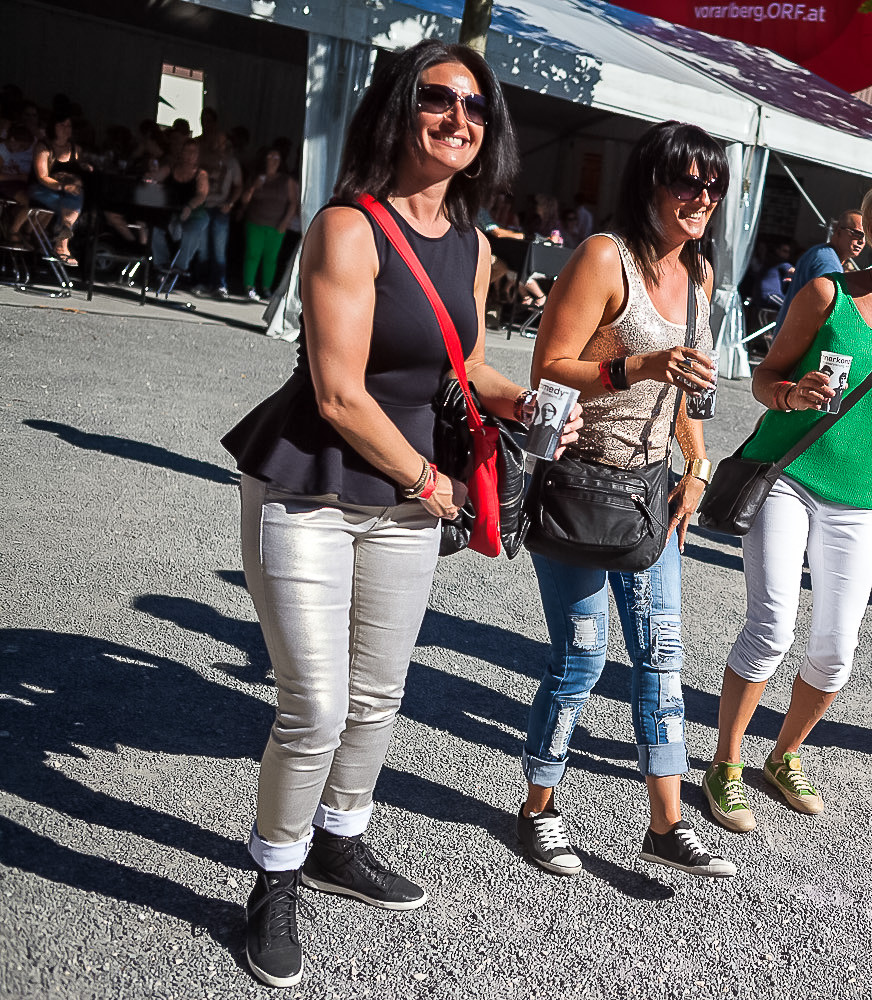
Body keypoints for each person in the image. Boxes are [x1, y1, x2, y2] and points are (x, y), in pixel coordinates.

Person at [219, 40, 579, 988]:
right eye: (437, 98)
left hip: (409, 496)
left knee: (380, 695)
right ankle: (275, 876)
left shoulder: (472, 241)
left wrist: (522, 402)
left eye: (476, 105)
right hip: (313, 484)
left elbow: (464, 365)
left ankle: (339, 841)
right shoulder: (347, 226)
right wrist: (431, 483)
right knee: (316, 704)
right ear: (397, 108)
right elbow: (338, 393)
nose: (460, 118)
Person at [701, 178, 872, 832]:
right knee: (772, 628)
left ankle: (784, 755)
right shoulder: (827, 295)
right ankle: (726, 765)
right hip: (788, 476)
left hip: (858, 502)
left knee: (835, 652)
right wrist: (791, 394)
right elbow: (765, 377)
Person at [519, 120, 734, 879]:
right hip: (578, 484)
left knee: (662, 658)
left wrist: (697, 465)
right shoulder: (604, 257)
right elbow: (549, 366)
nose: (702, 198)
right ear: (649, 183)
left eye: (713, 186)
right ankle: (538, 808)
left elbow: (689, 389)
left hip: (651, 492)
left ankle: (666, 825)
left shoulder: (699, 273)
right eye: (687, 182)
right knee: (582, 656)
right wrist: (638, 364)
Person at [769, 210, 866, 333]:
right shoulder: (828, 263)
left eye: (866, 236)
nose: (862, 241)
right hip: (800, 339)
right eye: (857, 234)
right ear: (838, 231)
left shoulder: (820, 252)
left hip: (789, 335)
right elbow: (825, 310)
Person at [17, 116, 88, 265]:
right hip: (41, 189)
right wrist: (63, 186)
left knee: (77, 197)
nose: (66, 128)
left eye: (68, 125)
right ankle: (61, 244)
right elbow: (42, 177)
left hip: (64, 193)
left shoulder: (76, 149)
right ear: (53, 127)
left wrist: (78, 179)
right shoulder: (43, 147)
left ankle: (58, 237)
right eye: (62, 124)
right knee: (71, 203)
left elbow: (79, 174)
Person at [240, 147, 299, 301]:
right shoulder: (257, 177)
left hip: (277, 225)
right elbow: (244, 200)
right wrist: (254, 186)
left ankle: (267, 288)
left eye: (276, 158)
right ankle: (249, 286)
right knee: (252, 254)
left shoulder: (287, 180)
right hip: (255, 221)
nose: (273, 161)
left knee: (271, 258)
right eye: (270, 157)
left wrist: (285, 221)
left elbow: (293, 202)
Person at [147, 137, 210, 276]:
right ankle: (161, 262)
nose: (190, 155)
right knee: (156, 229)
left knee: (190, 233)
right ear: (181, 152)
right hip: (172, 212)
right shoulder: (171, 168)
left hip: (194, 213)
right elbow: (154, 177)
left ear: (198, 155)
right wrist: (150, 176)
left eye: (194, 152)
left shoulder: (201, 174)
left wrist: (189, 207)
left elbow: (202, 195)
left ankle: (181, 266)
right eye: (187, 151)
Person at [200, 130, 242, 297]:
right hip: (203, 206)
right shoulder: (204, 158)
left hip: (220, 207)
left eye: (221, 141)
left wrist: (230, 202)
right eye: (215, 141)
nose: (218, 145)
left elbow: (239, 185)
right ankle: (201, 281)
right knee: (202, 247)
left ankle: (219, 284)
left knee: (218, 248)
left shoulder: (232, 162)